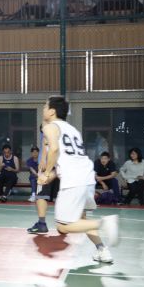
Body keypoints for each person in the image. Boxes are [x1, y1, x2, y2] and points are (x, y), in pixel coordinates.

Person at [37, 96, 119, 263]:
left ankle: (104, 223)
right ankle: (102, 250)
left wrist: (45, 173)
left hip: (73, 180)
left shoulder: (49, 127)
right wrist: (51, 176)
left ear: (52, 111)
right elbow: (68, 160)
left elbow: (54, 150)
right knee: (82, 220)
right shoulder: (73, 130)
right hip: (87, 177)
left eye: (45, 106)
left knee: (63, 226)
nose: (43, 109)